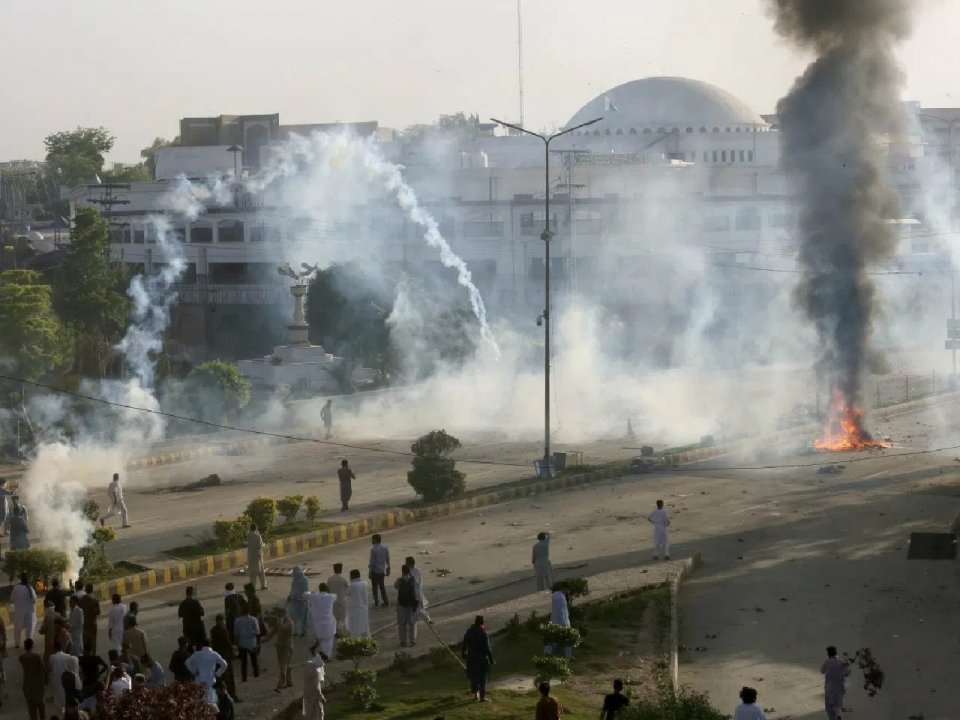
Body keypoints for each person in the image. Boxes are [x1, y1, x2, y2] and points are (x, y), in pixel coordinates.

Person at [184, 638, 227, 704]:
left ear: (202, 645)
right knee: (210, 699)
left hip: (199, 679)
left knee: (199, 699)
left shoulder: (198, 654)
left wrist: (194, 671)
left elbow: (187, 662)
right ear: (210, 645)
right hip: (210, 680)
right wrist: (218, 673)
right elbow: (224, 664)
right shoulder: (214, 654)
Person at [462, 615, 494, 702]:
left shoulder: (469, 632)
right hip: (481, 659)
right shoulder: (483, 634)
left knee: (474, 677)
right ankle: (482, 697)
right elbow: (487, 648)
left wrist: (463, 653)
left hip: (471, 658)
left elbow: (464, 644)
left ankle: (475, 696)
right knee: (482, 678)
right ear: (482, 624)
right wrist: (491, 659)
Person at [210, 614, 239, 702]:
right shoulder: (223, 630)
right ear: (221, 621)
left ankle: (219, 696)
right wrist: (234, 648)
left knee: (220, 677)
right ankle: (232, 695)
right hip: (225, 656)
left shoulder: (213, 630)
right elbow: (227, 642)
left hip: (217, 656)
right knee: (229, 678)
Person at [305, 582, 338, 658]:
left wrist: (312, 592)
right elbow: (335, 596)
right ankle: (325, 655)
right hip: (329, 622)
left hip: (318, 623)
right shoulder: (331, 597)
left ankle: (322, 654)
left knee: (322, 638)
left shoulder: (314, 596)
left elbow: (305, 594)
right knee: (328, 640)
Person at [19, 638, 47, 720]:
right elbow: (43, 668)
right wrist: (46, 678)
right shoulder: (37, 656)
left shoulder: (21, 658)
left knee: (31, 706)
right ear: (32, 646)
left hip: (28, 682)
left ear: (25, 646)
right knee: (41, 703)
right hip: (38, 681)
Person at [50, 640, 80, 714]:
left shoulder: (52, 657)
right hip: (67, 678)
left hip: (56, 679)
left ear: (54, 648)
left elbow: (50, 667)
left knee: (58, 697)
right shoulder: (69, 657)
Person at [821, 646, 852, 720]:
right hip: (839, 687)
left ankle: (834, 717)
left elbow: (822, 670)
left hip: (829, 688)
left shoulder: (827, 662)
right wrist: (847, 664)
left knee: (829, 706)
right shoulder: (841, 662)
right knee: (838, 704)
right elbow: (847, 673)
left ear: (828, 654)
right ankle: (838, 716)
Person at [268, 608, 294, 692]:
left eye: (279, 614)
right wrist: (262, 640)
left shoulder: (289, 622)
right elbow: (272, 633)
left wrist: (280, 620)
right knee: (286, 664)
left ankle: (281, 684)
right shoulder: (279, 622)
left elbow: (283, 628)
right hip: (279, 647)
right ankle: (289, 681)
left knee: (283, 665)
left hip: (287, 647)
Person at [233, 604, 261, 682]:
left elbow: (236, 634)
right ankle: (256, 674)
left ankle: (244, 678)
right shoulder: (254, 619)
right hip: (252, 642)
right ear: (249, 611)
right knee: (254, 661)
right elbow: (257, 632)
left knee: (244, 662)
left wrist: (237, 644)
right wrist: (258, 643)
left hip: (242, 643)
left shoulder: (237, 620)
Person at [394, 564, 419, 647]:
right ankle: (413, 640)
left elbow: (395, 587)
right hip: (411, 604)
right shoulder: (413, 579)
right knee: (412, 623)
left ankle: (403, 641)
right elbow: (417, 590)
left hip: (401, 605)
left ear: (402, 571)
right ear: (409, 571)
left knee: (402, 624)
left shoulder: (400, 580)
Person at [11, 572, 37, 648]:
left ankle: (17, 644)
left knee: (17, 629)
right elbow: (34, 600)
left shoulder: (16, 588)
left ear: (20, 579)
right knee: (30, 629)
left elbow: (12, 599)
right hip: (30, 613)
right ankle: (29, 644)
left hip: (19, 612)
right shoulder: (30, 588)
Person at [546, 584, 572, 657]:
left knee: (553, 640)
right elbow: (563, 613)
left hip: (554, 621)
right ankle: (567, 656)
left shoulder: (556, 595)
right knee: (566, 640)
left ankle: (549, 653)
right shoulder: (561, 599)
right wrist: (565, 624)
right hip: (562, 622)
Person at [302, 650, 327, 720]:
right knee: (318, 714)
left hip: (306, 693)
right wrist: (321, 696)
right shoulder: (316, 671)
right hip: (314, 696)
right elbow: (316, 687)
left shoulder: (308, 665)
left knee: (307, 714)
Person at [368, 533, 391, 607]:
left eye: (372, 539)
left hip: (375, 571)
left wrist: (370, 571)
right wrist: (388, 567)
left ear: (375, 540)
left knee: (374, 587)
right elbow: (387, 558)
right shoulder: (385, 548)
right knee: (382, 587)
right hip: (382, 571)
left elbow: (372, 562)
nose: (371, 541)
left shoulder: (373, 549)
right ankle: (385, 601)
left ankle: (376, 601)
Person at [346, 568, 370, 637]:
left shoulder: (352, 586)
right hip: (364, 609)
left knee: (356, 629)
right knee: (365, 628)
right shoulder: (365, 583)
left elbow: (346, 593)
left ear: (352, 576)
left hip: (355, 611)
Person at [287, 566, 309, 636]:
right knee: (294, 616)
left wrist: (292, 597)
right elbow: (292, 590)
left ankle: (302, 631)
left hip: (301, 601)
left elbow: (302, 591)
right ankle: (297, 631)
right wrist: (290, 596)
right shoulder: (298, 580)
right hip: (297, 601)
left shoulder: (302, 580)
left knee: (302, 617)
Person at [78, 584, 100, 654]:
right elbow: (98, 612)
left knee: (85, 641)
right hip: (92, 624)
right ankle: (93, 657)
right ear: (92, 590)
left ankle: (86, 656)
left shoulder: (81, 600)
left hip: (84, 624)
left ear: (85, 590)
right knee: (93, 642)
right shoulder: (95, 601)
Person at [327, 563, 349, 633]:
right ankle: (338, 630)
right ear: (341, 570)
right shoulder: (343, 579)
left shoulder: (330, 579)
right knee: (342, 617)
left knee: (334, 616)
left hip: (333, 601)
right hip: (341, 600)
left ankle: (335, 629)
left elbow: (327, 589)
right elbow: (347, 589)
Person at [246, 523, 267, 590]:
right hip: (258, 556)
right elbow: (260, 545)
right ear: (256, 528)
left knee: (252, 573)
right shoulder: (258, 536)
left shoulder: (248, 535)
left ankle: (253, 586)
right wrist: (264, 544)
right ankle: (263, 585)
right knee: (261, 572)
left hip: (251, 556)